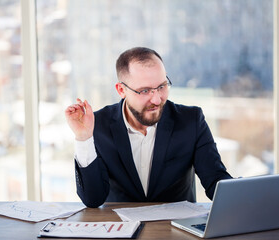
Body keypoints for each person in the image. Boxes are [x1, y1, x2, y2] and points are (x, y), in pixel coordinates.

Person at [65, 47, 232, 208]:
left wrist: (244, 196)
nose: (157, 100)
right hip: (121, 231)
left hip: (174, 230)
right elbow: (93, 199)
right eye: (145, 91)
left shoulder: (191, 121)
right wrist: (84, 138)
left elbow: (216, 181)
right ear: (121, 90)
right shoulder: (98, 125)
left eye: (162, 86)